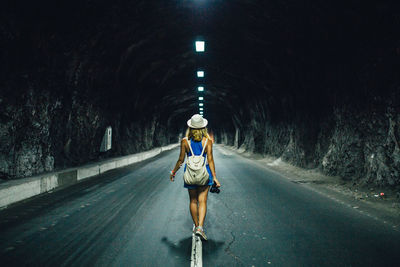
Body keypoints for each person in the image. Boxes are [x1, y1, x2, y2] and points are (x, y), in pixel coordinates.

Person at [170, 114, 221, 241]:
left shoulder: (185, 141)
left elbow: (181, 160)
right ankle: (200, 228)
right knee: (202, 201)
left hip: (191, 173)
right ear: (204, 127)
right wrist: (214, 177)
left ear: (191, 128)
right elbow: (210, 160)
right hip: (205, 174)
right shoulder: (207, 141)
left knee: (193, 200)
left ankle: (196, 224)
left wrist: (173, 172)